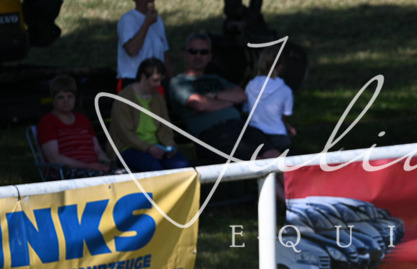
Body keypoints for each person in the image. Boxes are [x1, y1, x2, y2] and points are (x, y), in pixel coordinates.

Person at [168, 32, 273, 165]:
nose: (198, 56)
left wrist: (213, 96)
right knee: (257, 162)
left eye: (203, 52)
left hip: (240, 126)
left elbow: (241, 95)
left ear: (209, 57)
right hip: (213, 135)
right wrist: (229, 102)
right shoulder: (178, 82)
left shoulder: (216, 79)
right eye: (193, 51)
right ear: (185, 54)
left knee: (275, 156)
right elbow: (199, 105)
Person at [109, 58, 191, 173]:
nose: (159, 84)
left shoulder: (158, 98)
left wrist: (170, 145)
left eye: (160, 80)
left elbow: (165, 128)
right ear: (143, 77)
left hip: (158, 147)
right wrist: (148, 148)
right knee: (154, 167)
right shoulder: (124, 98)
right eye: (155, 80)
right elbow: (125, 133)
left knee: (183, 166)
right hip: (128, 148)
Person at [38, 75, 116, 178]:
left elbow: (97, 149)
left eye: (70, 96)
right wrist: (89, 166)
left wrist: (104, 162)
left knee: (127, 175)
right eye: (61, 97)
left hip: (94, 168)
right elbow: (54, 158)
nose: (66, 100)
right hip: (68, 172)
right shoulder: (47, 121)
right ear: (53, 99)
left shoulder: (82, 119)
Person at [116, 0, 171, 89]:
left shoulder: (158, 20)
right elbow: (132, 50)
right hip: (133, 79)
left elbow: (164, 53)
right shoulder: (128, 20)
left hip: (157, 81)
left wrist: (171, 80)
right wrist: (147, 23)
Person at [245, 47, 296, 153]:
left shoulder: (250, 86)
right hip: (278, 138)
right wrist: (288, 127)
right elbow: (283, 118)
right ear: (280, 67)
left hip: (255, 136)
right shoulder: (285, 90)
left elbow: (247, 109)